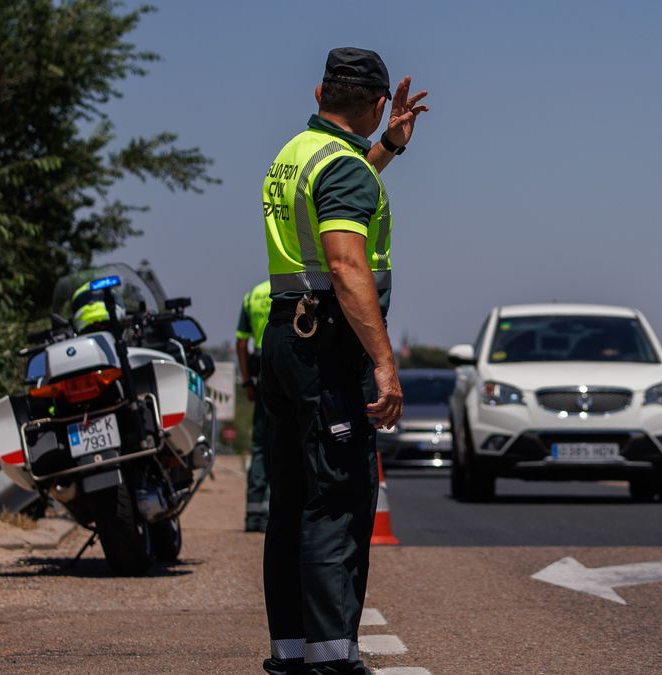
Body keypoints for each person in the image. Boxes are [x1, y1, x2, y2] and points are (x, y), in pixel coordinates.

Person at [259, 47, 427, 675]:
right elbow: (345, 263)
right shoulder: (344, 170)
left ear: (318, 93)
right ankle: (332, 662)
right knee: (337, 501)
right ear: (379, 100)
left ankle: (292, 653)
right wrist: (383, 362)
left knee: (294, 499)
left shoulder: (298, 154)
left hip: (286, 336)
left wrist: (391, 147)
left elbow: (342, 184)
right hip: (328, 347)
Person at [236, 279, 272, 532]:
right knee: (285, 441)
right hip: (284, 366)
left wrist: (247, 381)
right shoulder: (293, 288)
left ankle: (253, 516)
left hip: (259, 371)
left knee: (260, 446)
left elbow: (241, 343)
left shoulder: (252, 295)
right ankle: (275, 512)